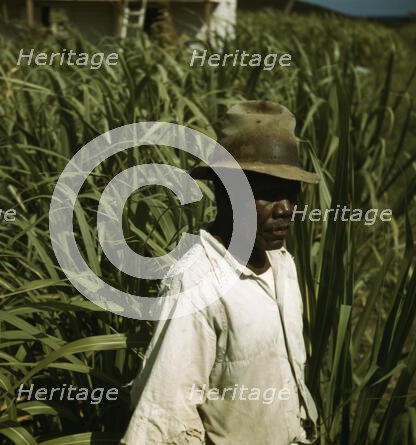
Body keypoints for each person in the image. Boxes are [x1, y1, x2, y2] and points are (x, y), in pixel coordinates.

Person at [121, 101, 320, 445]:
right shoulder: (197, 284)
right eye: (268, 194)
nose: (286, 209)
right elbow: (166, 415)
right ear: (224, 192)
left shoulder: (282, 263)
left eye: (291, 193)